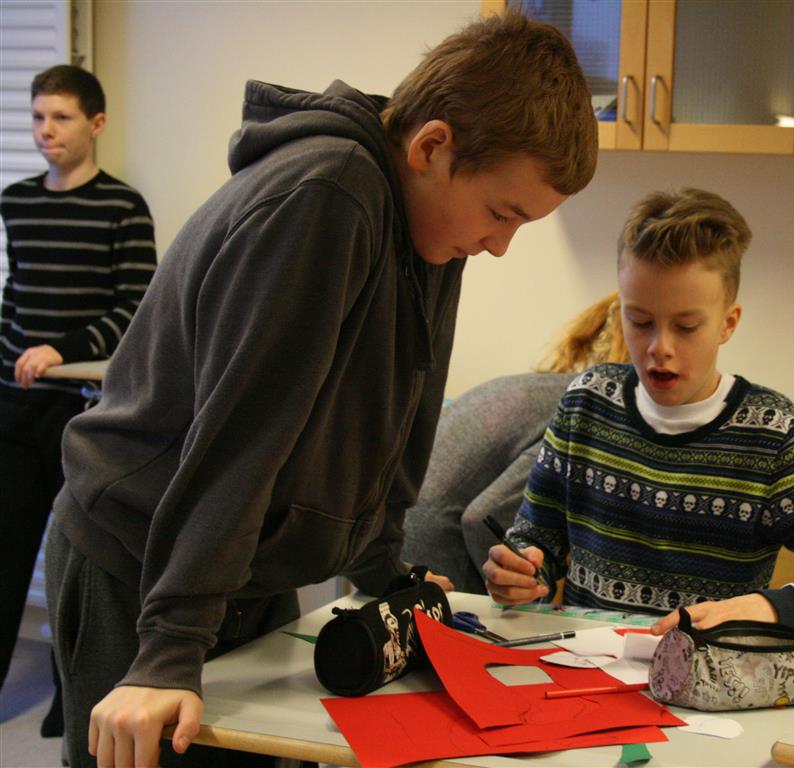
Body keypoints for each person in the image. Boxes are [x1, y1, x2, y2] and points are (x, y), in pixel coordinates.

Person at [44, 11, 597, 768]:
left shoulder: (428, 228)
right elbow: (243, 434)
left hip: (231, 563)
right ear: (431, 147)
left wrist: (380, 562)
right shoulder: (326, 196)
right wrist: (168, 648)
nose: (501, 244)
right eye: (503, 214)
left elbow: (399, 411)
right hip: (144, 564)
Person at [483, 188, 794, 641]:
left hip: (708, 680)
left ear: (728, 323)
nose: (659, 347)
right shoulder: (587, 403)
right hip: (585, 667)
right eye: (639, 321)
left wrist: (770, 608)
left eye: (686, 327)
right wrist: (518, 573)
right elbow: (536, 544)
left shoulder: (773, 435)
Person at [0, 64, 156, 738]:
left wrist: (59, 351)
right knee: (6, 551)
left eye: (60, 117)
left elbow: (135, 311)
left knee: (77, 560)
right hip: (14, 405)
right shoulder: (16, 201)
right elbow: (15, 297)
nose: (46, 130)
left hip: (85, 412)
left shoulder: (122, 207)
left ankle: (71, 698)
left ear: (96, 124)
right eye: (38, 117)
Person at [402, 292, 628, 593]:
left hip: (396, 532)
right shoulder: (581, 412)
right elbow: (483, 520)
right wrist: (530, 592)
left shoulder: (542, 388)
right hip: (432, 546)